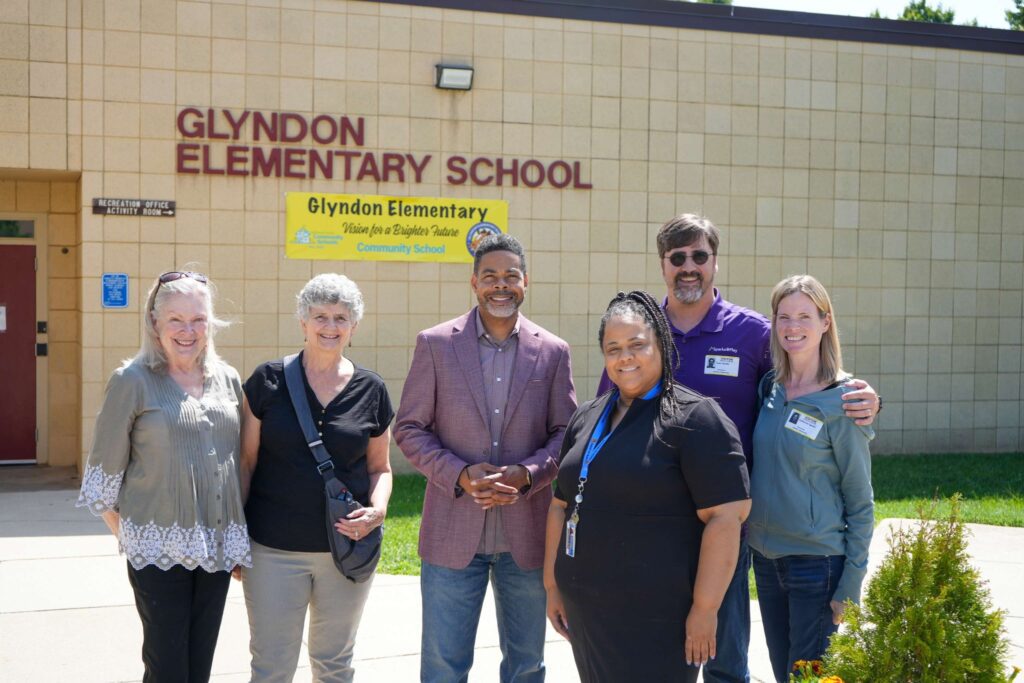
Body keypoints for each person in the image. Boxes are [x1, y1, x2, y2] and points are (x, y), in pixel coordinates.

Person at [596, 213, 879, 683]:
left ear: (715, 263)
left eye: (699, 256)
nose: (689, 267)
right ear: (662, 264)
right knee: (654, 654)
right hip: (653, 525)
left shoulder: (750, 333)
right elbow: (612, 415)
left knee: (727, 659)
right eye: (678, 257)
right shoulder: (639, 335)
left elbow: (807, 381)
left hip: (726, 527)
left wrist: (868, 401)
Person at [394, 233, 577, 683]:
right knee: (443, 667)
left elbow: (567, 436)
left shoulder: (552, 352)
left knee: (526, 667)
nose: (501, 285)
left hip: (528, 540)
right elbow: (409, 429)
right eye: (490, 276)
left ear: (525, 282)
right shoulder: (436, 344)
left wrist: (527, 475)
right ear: (474, 283)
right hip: (453, 536)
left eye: (511, 276)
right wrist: (458, 474)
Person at [545, 290, 751, 682]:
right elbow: (560, 504)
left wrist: (705, 609)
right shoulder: (588, 416)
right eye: (614, 348)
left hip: (658, 618)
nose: (625, 358)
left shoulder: (696, 419)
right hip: (588, 610)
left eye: (637, 345)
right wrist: (553, 585)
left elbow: (726, 518)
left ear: (661, 344)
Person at [77, 270, 249, 683]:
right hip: (156, 552)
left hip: (216, 548)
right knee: (168, 667)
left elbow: (238, 463)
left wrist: (237, 539)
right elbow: (101, 482)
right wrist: (134, 537)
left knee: (199, 666)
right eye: (175, 319)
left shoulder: (228, 379)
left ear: (211, 323)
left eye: (198, 319)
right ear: (154, 323)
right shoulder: (131, 381)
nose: (187, 331)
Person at [239, 273, 394, 683]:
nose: (330, 327)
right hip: (272, 550)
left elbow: (381, 468)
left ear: (354, 326)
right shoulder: (267, 381)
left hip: (345, 549)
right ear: (303, 322)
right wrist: (234, 536)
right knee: (271, 666)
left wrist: (377, 511)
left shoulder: (371, 390)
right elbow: (245, 463)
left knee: (334, 665)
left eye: (341, 318)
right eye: (320, 316)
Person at [749, 275, 874, 682]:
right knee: (785, 675)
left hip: (817, 566)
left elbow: (860, 500)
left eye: (804, 315)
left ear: (825, 321)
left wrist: (850, 583)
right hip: (766, 564)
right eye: (783, 316)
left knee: (810, 680)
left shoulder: (845, 400)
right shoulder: (769, 388)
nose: (792, 326)